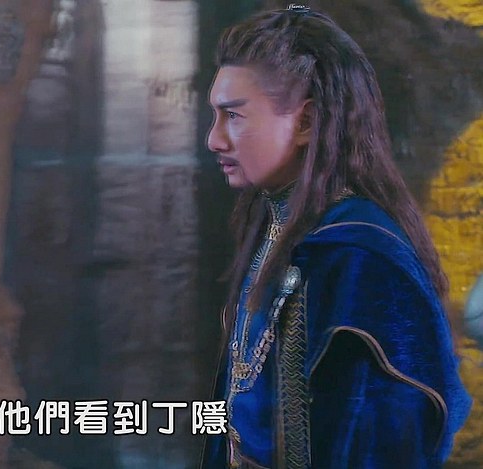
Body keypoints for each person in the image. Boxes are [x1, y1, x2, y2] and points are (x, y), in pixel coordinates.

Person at [200, 5, 471, 468]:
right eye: (215, 115)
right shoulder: (275, 226)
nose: (215, 140)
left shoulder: (360, 261)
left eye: (234, 116)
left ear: (306, 122)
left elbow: (383, 443)